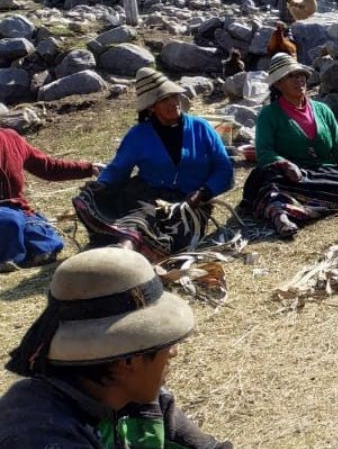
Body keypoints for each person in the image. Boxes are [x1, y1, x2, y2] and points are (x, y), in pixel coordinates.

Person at [0, 247, 229, 448]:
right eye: (164, 345)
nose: (174, 352)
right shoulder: (37, 434)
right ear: (127, 361)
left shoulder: (140, 400)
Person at [73, 68, 234, 261]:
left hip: (189, 202)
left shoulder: (201, 128)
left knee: (176, 235)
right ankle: (122, 254)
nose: (173, 103)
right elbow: (118, 168)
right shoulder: (139, 135)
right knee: (139, 217)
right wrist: (103, 183)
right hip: (146, 195)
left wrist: (204, 192)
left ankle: (129, 251)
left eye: (174, 96)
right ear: (151, 107)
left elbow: (224, 168)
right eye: (164, 100)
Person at [241, 53, 338, 238]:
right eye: (290, 76)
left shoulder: (322, 110)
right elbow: (264, 152)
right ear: (278, 84)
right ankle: (282, 214)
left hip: (320, 174)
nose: (299, 79)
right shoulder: (269, 114)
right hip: (288, 177)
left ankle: (291, 208)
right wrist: (285, 164)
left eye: (301, 75)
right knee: (266, 177)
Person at [0, 128, 99, 272]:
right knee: (10, 221)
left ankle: (14, 252)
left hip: (16, 210)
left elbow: (48, 167)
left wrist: (89, 169)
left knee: (46, 245)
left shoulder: (11, 138)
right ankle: (9, 257)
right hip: (7, 217)